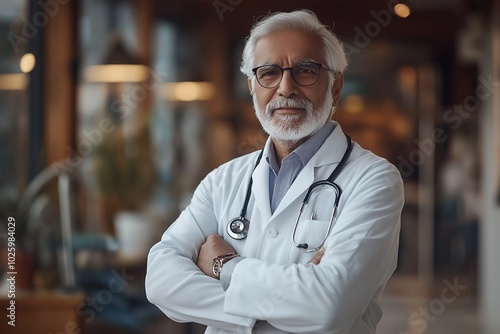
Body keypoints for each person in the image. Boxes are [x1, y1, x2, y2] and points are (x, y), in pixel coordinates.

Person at [146, 9, 404, 334]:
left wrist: (224, 267)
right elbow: (160, 281)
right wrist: (285, 307)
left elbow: (329, 306)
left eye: (306, 71)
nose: (285, 88)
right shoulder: (223, 180)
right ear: (252, 86)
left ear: (335, 86)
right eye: (268, 72)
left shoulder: (374, 180)